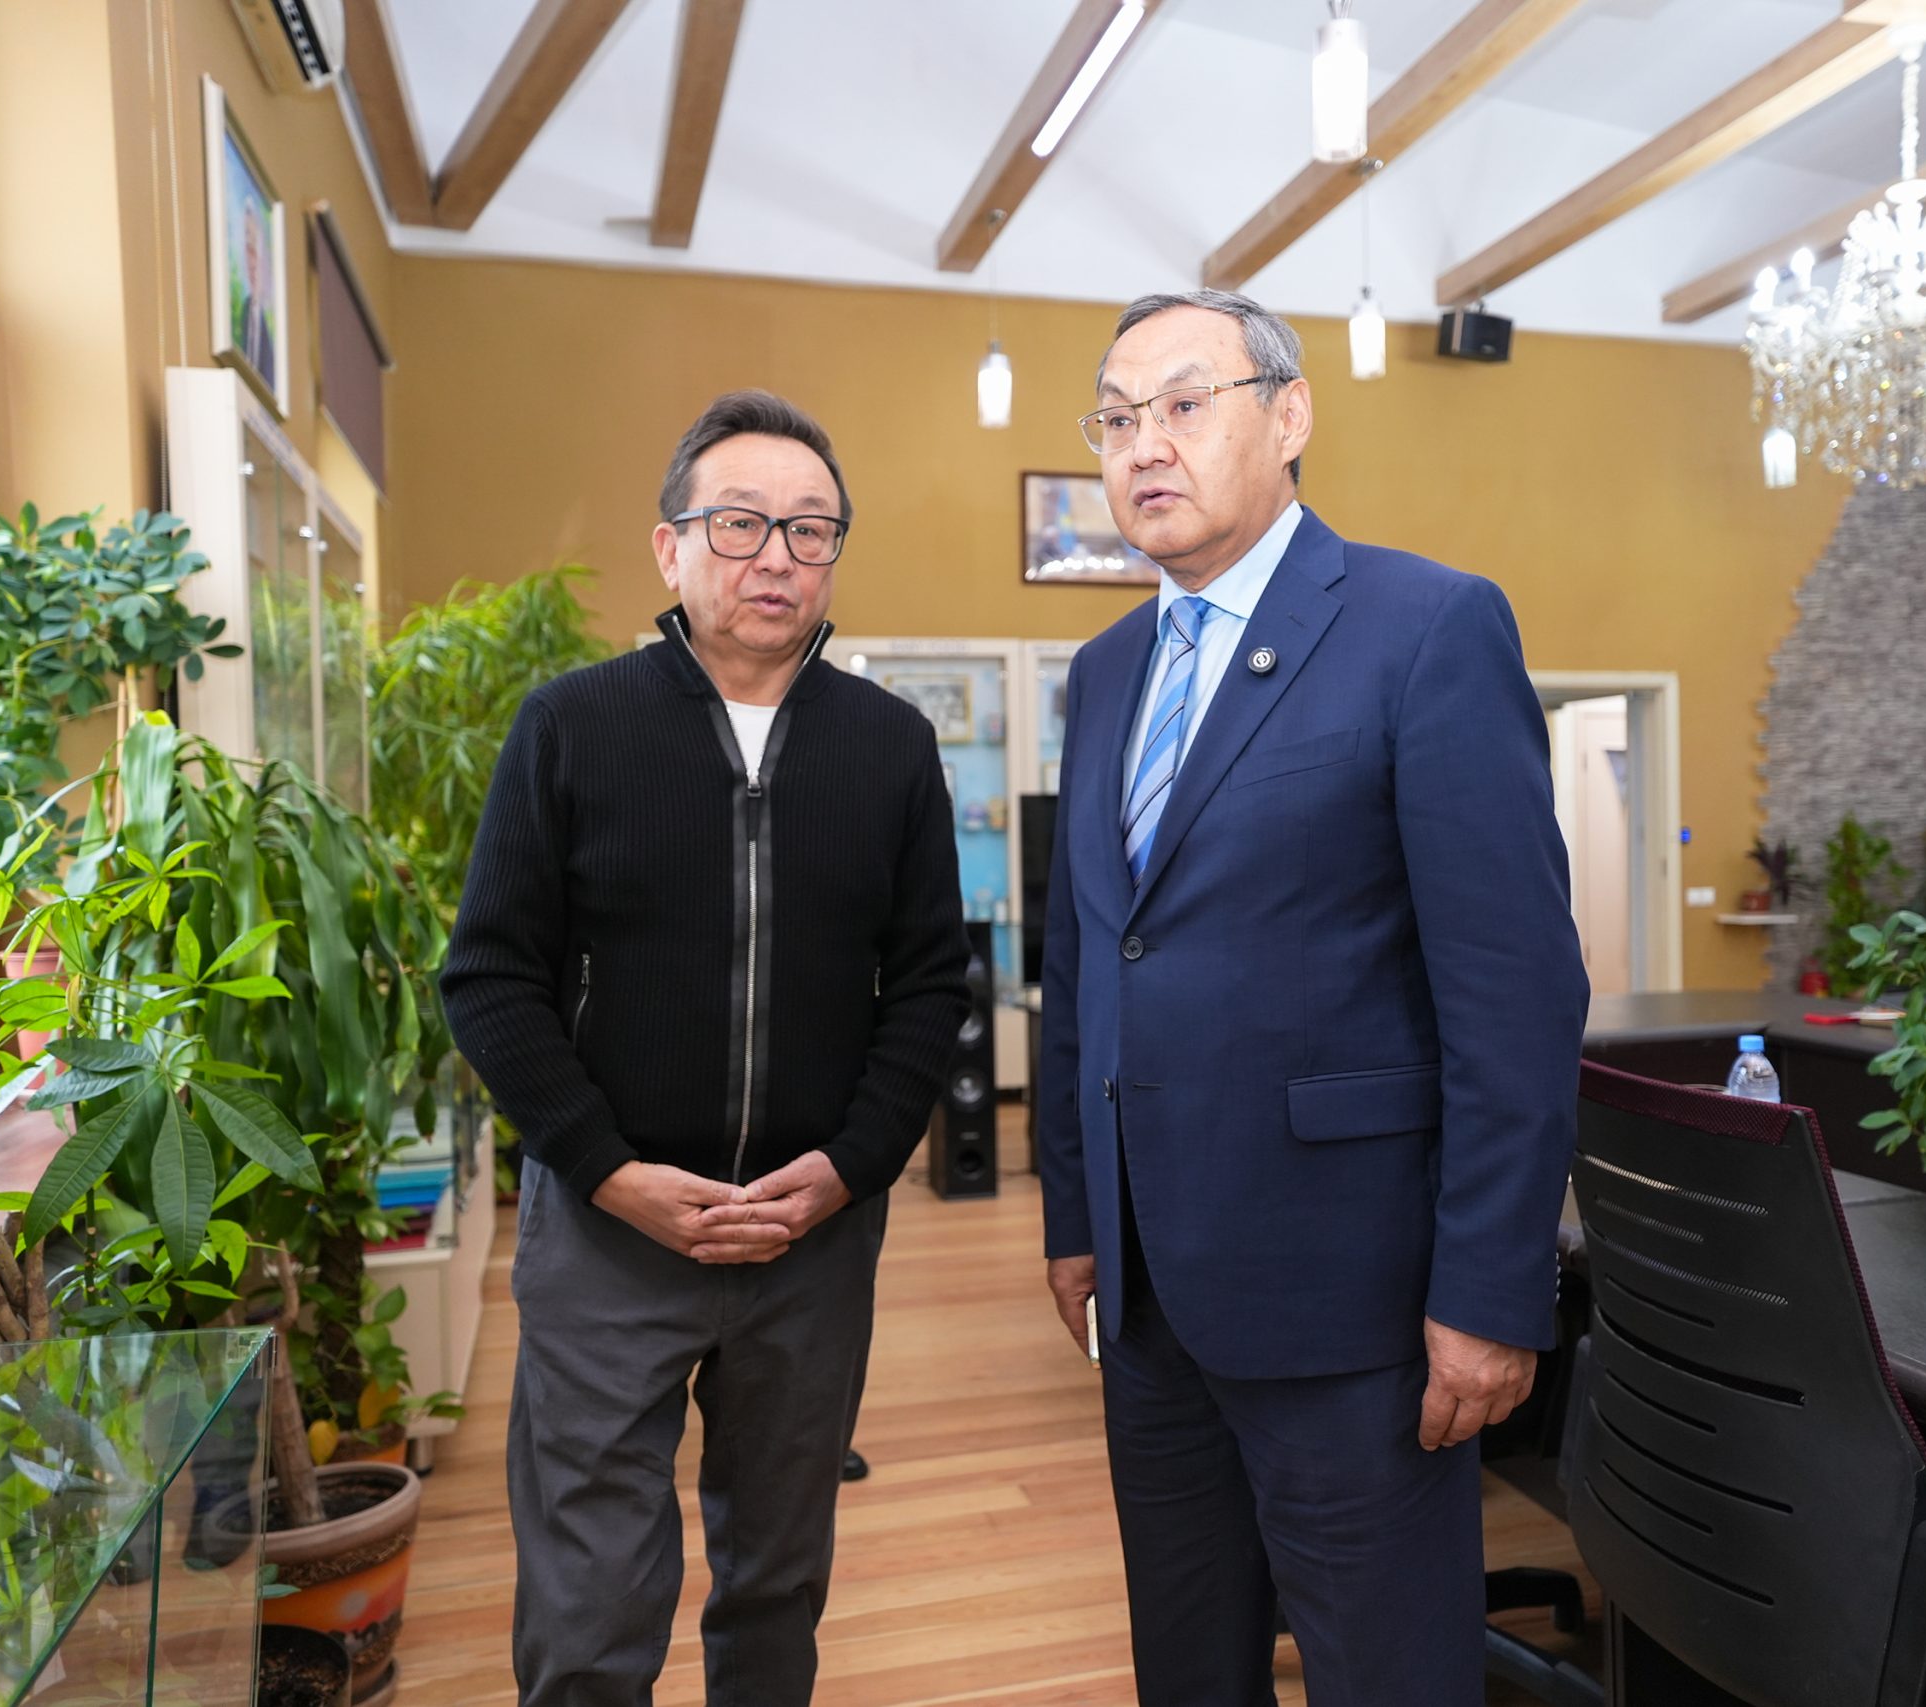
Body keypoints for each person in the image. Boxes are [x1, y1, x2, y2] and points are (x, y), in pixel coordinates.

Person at [1037, 290, 1590, 1706]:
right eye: (1116, 418)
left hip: (1357, 1302)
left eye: (1183, 404)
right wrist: (1076, 1215)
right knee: (1188, 1666)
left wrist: (1492, 1290)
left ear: (1288, 416)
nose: (1144, 445)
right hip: (1148, 1300)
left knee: (1386, 1675)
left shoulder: (1426, 626)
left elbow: (1514, 997)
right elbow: (1089, 963)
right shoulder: (1104, 672)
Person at [440, 390, 970, 1707]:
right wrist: (608, 1171)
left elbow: (928, 984)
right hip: (610, 1227)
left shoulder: (891, 748)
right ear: (670, 547)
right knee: (589, 1603)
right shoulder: (572, 726)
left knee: (779, 1581)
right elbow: (490, 978)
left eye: (810, 529)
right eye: (740, 523)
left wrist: (849, 1167)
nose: (775, 556)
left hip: (810, 1236)